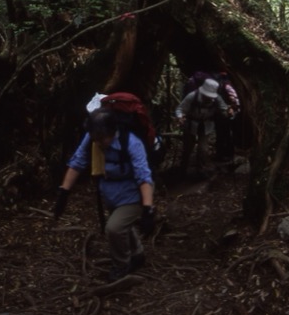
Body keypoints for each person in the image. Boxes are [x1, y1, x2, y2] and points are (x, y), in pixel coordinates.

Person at [53, 107, 155, 283]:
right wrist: (64, 192)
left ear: (113, 132)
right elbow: (77, 162)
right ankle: (137, 254)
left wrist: (148, 209)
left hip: (134, 194)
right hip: (110, 192)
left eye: (102, 138)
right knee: (122, 225)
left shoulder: (131, 143)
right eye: (95, 138)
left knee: (114, 228)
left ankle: (121, 265)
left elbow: (144, 177)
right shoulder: (92, 139)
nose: (99, 143)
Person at [175, 77, 232, 176]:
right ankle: (183, 168)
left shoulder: (217, 99)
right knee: (187, 147)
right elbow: (180, 109)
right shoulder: (192, 96)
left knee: (203, 149)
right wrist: (180, 117)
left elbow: (224, 110)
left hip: (206, 124)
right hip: (191, 124)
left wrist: (229, 113)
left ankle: (201, 170)